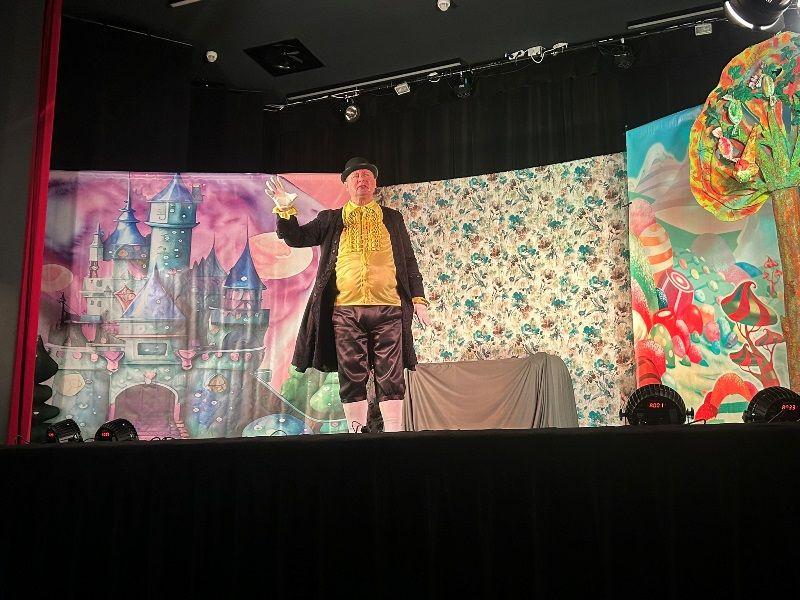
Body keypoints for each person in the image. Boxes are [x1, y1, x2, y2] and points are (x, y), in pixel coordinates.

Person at [265, 157, 431, 432]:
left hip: (389, 308)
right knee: (351, 374)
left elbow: (408, 261)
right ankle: (355, 433)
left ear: (375, 184)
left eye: (367, 176)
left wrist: (418, 299)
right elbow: (296, 238)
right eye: (355, 176)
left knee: (391, 374)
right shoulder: (330, 218)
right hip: (345, 311)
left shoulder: (393, 218)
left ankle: (394, 433)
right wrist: (284, 208)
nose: (361, 180)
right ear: (346, 184)